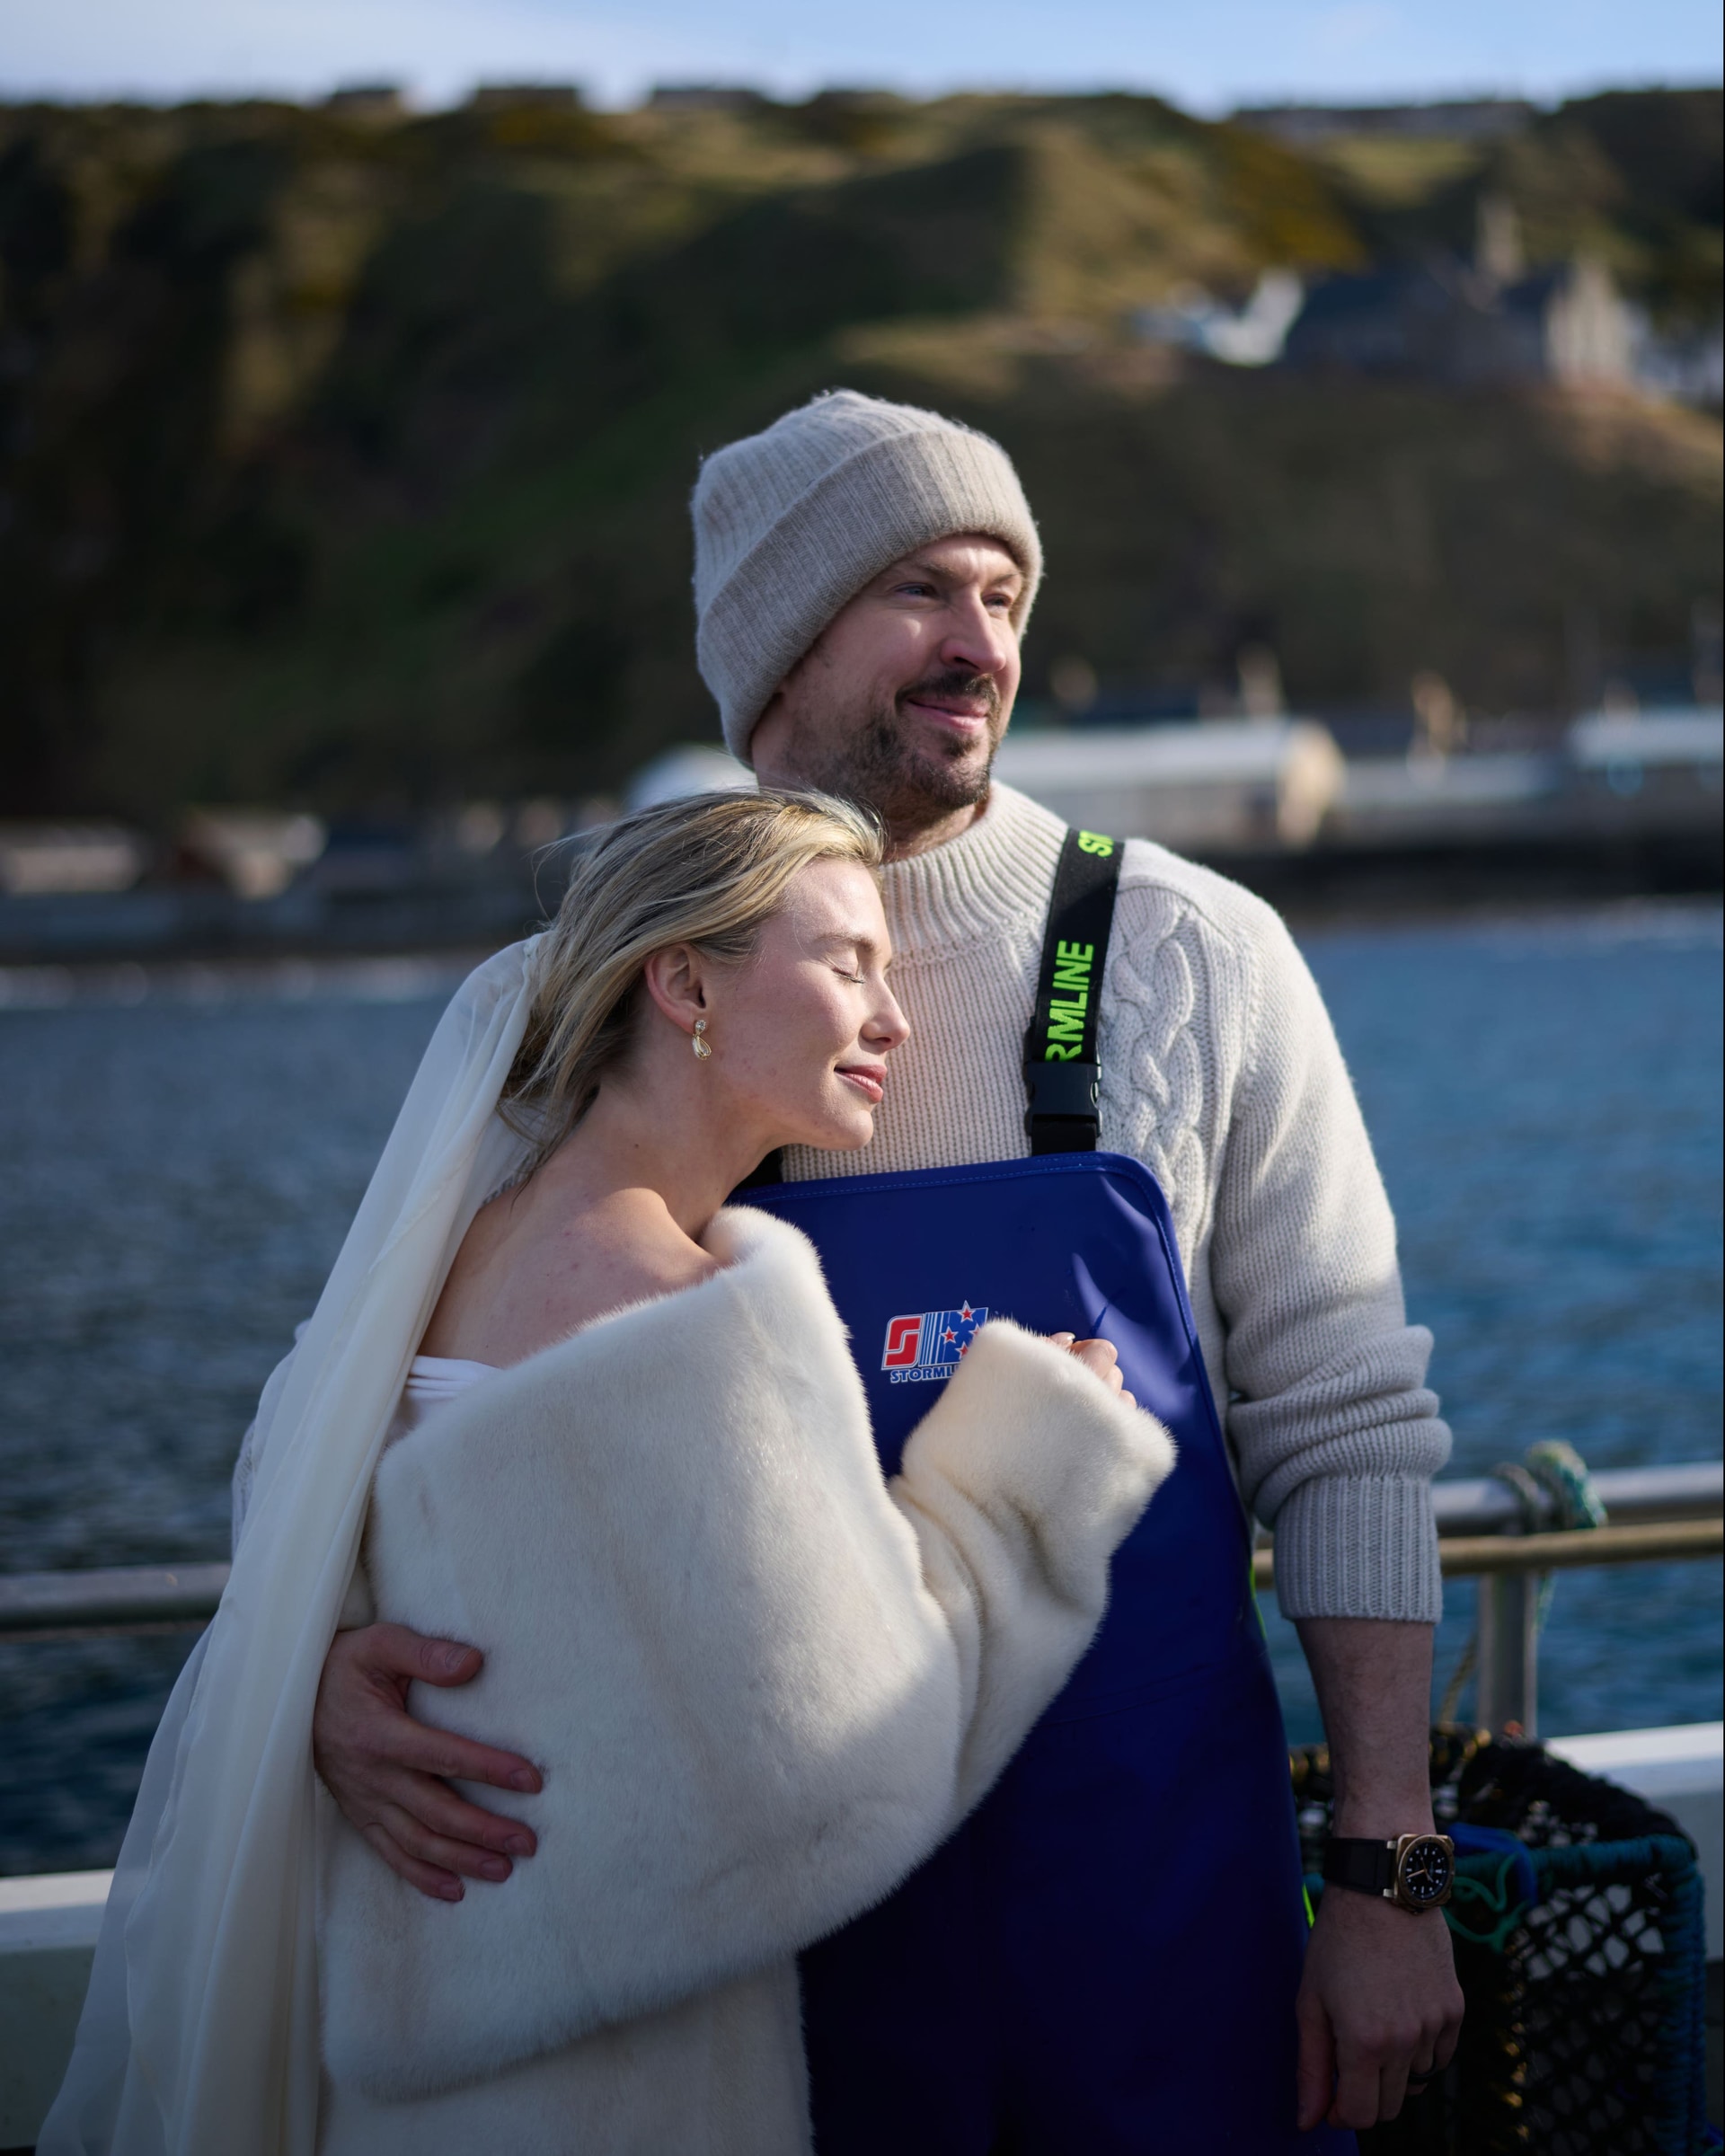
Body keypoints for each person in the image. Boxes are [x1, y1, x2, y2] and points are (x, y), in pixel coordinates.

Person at [311, 388, 1466, 2149]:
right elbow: (346, 1415)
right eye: (924, 589)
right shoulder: (566, 1003)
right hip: (736, 1986)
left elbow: (1351, 1429)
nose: (981, 643)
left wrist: (1387, 1870)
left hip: (1157, 1941)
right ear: (779, 641)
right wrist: (319, 1678)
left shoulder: (1199, 955)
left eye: (1008, 594)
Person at [41, 790, 1174, 2155]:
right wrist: (1036, 1452)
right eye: (846, 966)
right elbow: (859, 1767)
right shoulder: (684, 1310)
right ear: (684, 979)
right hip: (614, 2097)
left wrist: (320, 1685)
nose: (896, 1020)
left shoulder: (453, 1258)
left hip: (415, 2081)